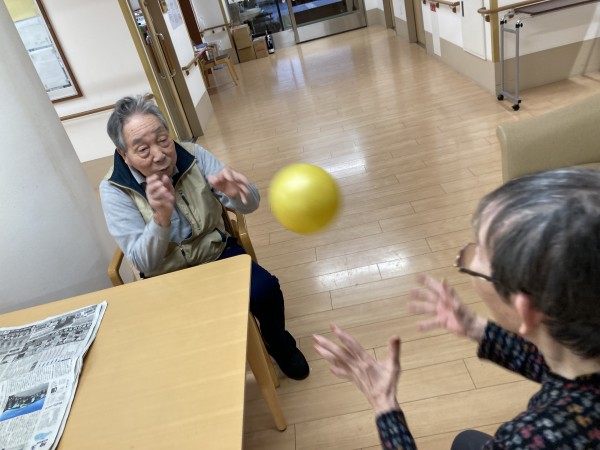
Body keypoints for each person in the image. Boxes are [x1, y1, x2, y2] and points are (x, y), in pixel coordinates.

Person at [314, 168, 600, 448]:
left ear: (525, 309)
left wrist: (384, 403)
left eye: (479, 256)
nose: (468, 258)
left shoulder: (531, 439)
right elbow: (558, 368)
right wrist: (476, 328)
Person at [100, 95, 309, 380]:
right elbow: (144, 262)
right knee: (174, 333)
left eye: (162, 140)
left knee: (266, 291)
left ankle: (278, 343)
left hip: (215, 252)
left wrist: (238, 193)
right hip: (165, 274)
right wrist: (161, 218)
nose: (159, 155)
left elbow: (251, 204)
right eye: (143, 149)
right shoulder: (114, 188)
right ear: (124, 154)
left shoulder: (192, 155)